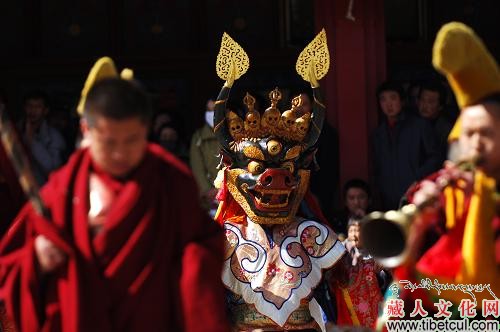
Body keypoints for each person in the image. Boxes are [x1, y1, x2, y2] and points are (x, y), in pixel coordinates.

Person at [0, 58, 229, 332]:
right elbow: (9, 269)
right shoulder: (62, 191)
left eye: (132, 140)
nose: (120, 154)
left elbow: (203, 249)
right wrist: (36, 259)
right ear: (86, 130)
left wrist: (193, 266)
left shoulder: (171, 181)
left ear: (146, 129)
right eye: (108, 143)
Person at [393, 22, 500, 318]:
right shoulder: (446, 193)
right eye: (469, 134)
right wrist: (421, 225)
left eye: (486, 133)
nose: (476, 144)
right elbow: (409, 292)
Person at [372, 81, 442, 210]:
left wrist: (417, 178)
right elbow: (378, 166)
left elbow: (435, 157)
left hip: (416, 194)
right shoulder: (379, 133)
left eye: (393, 98)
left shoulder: (420, 126)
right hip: (389, 198)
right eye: (383, 99)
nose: (388, 104)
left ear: (402, 101)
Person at [337, 218, 387, 329]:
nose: (354, 235)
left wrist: (380, 271)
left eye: (357, 231)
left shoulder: (376, 251)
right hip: (350, 308)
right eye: (351, 231)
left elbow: (385, 277)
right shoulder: (341, 253)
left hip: (372, 304)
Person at [19, 90, 67, 186]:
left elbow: (54, 170)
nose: (33, 110)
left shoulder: (54, 136)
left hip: (42, 192)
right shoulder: (15, 130)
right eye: (30, 106)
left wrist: (32, 140)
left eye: (38, 107)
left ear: (45, 111)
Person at [189, 99, 220, 217]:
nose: (212, 114)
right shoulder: (198, 138)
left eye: (215, 110)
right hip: (209, 199)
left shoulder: (233, 134)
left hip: (230, 193)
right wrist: (207, 190)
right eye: (209, 110)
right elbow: (197, 166)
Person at [417, 80, 453, 161]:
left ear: (440, 106)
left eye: (431, 101)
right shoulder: (412, 123)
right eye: (422, 100)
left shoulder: (446, 129)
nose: (424, 105)